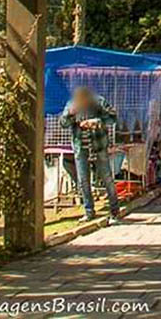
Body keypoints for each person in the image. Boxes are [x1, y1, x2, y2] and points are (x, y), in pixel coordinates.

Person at [59, 85, 121, 222]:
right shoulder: (71, 104)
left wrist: (98, 121)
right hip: (81, 146)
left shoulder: (99, 102)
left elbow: (113, 118)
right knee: (83, 180)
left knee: (106, 178)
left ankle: (115, 211)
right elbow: (63, 123)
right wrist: (70, 113)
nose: (83, 104)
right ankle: (88, 211)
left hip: (98, 145)